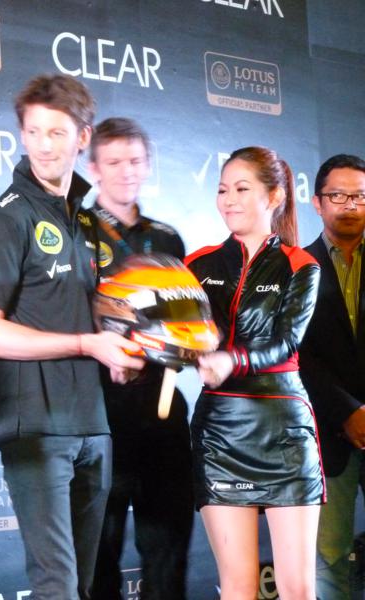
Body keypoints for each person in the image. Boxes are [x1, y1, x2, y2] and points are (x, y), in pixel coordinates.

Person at [0, 74, 144, 600]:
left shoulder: (89, 221)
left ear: (82, 137)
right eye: (34, 132)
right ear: (22, 135)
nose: (44, 145)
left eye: (57, 132)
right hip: (36, 429)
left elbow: (98, 316)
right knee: (57, 585)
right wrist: (87, 345)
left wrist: (121, 352)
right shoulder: (3, 220)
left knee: (81, 586)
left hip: (93, 422)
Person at [185, 146, 323, 600]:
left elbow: (286, 342)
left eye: (242, 189)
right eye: (223, 190)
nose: (229, 200)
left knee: (297, 590)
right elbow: (182, 337)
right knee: (239, 588)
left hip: (283, 430)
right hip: (220, 433)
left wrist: (231, 361)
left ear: (274, 196)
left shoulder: (301, 264)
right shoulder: (196, 264)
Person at [86, 118, 193, 600]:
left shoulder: (168, 239)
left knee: (167, 552)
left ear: (148, 165)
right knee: (98, 555)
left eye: (134, 161)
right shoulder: (74, 231)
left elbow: (183, 319)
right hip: (97, 413)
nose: (126, 171)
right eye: (114, 162)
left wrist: (194, 341)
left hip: (161, 410)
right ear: (94, 168)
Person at [299, 154, 365, 600]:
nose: (350, 205)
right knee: (329, 558)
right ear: (317, 202)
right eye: (338, 195)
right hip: (325, 433)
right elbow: (296, 354)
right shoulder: (296, 266)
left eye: (359, 196)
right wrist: (348, 410)